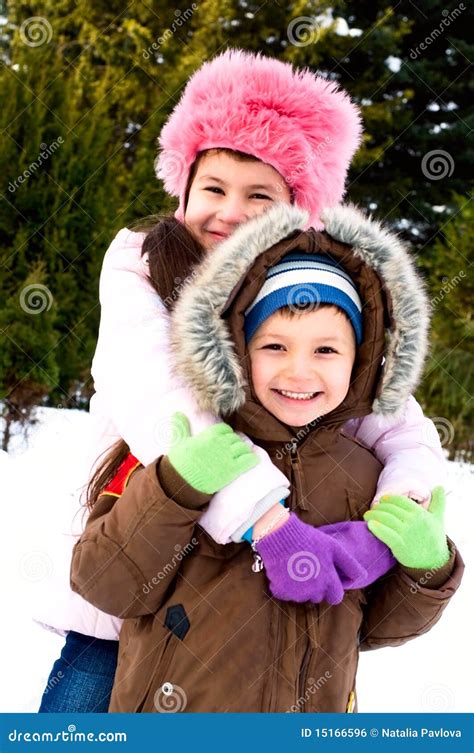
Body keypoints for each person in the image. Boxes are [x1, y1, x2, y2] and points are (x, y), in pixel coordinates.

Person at [37, 49, 447, 712]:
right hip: (138, 556)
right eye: (214, 188)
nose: (229, 212)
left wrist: (397, 517)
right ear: (184, 187)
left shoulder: (300, 300)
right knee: (82, 707)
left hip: (245, 604)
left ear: (296, 212)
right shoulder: (141, 265)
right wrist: (266, 519)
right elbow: (157, 395)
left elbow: (393, 414)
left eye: (260, 195)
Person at [70, 202, 464, 713]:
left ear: (360, 361)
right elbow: (106, 585)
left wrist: (427, 568)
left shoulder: (367, 475)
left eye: (326, 351)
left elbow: (379, 627)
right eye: (275, 346)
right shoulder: (186, 446)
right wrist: (176, 486)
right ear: (239, 348)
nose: (299, 372)